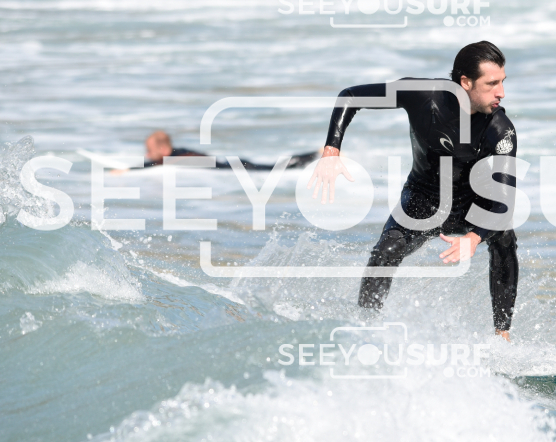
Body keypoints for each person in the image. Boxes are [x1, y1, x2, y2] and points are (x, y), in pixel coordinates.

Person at [308, 41, 519, 341]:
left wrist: (474, 237)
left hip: (473, 206)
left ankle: (502, 334)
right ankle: (365, 329)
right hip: (423, 200)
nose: (501, 93)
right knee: (385, 253)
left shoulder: (500, 130)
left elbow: (504, 201)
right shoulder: (423, 95)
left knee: (504, 239)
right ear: (466, 82)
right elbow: (350, 96)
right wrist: (332, 150)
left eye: (502, 82)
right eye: (492, 83)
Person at [126, 130, 318, 171]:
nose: (147, 155)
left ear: (163, 149)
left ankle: (314, 155)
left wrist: (131, 170)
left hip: (238, 168)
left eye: (150, 150)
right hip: (233, 166)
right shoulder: (177, 156)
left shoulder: (180, 155)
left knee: (277, 168)